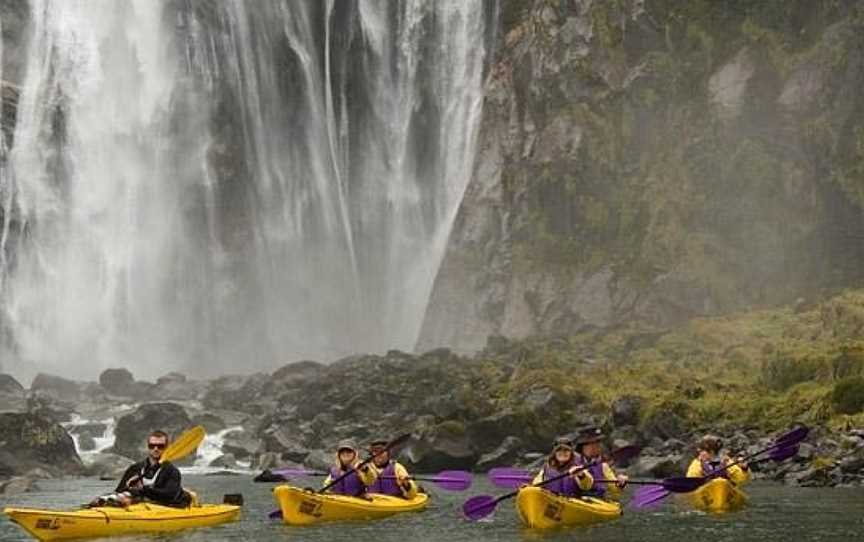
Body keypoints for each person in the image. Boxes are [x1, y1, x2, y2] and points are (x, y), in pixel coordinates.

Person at [92, 430, 189, 507]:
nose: (156, 449)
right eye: (152, 446)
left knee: (126, 498)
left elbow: (169, 495)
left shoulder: (172, 471)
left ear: (166, 447)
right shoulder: (135, 468)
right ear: (148, 447)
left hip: (160, 506)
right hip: (137, 503)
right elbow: (119, 491)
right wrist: (128, 487)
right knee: (108, 498)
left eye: (160, 446)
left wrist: (142, 489)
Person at [575, 426, 628, 499]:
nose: (598, 446)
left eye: (598, 443)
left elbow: (615, 490)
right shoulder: (572, 462)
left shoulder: (603, 465)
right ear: (584, 445)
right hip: (576, 500)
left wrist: (620, 484)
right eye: (595, 443)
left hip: (597, 500)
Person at [686, 434, 750, 484]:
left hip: (725, 488)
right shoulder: (697, 463)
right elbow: (691, 480)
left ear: (711, 451)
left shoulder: (726, 462)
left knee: (721, 482)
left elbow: (741, 480)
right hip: (706, 491)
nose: (699, 453)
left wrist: (744, 468)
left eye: (702, 451)